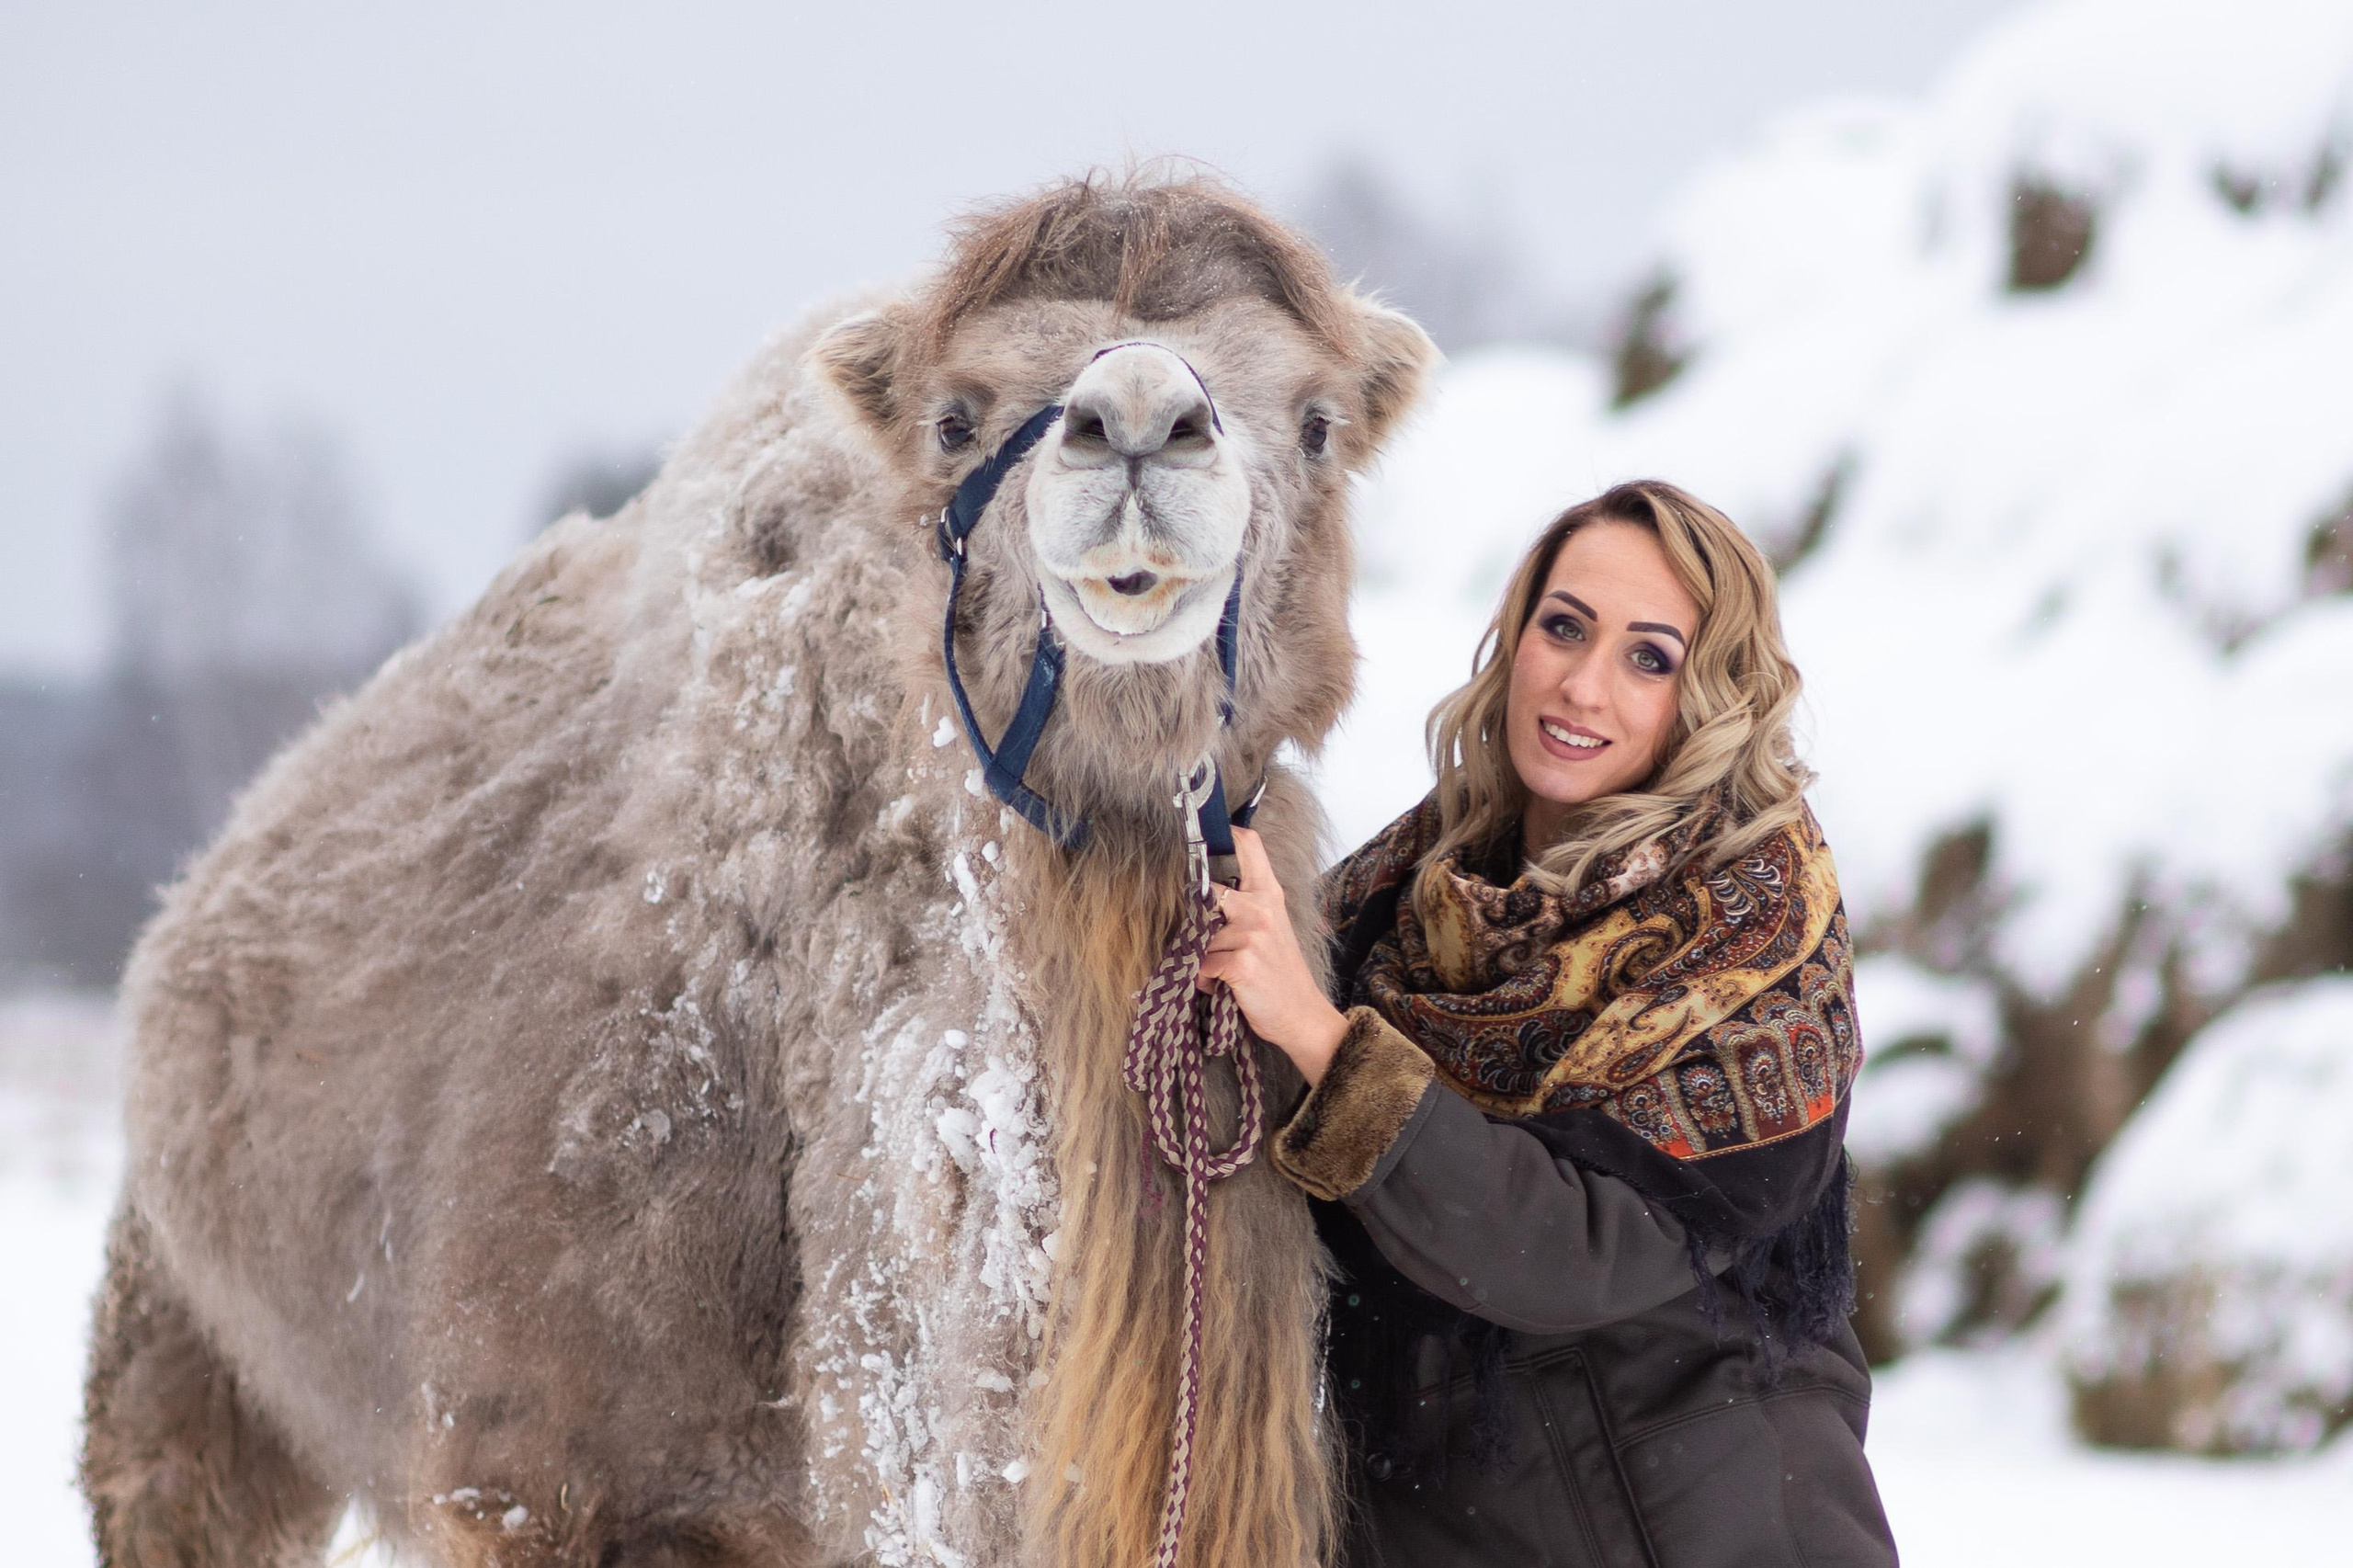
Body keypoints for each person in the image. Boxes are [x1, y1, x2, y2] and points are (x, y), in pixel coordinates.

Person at [1199, 480, 1898, 1566]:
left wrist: (1324, 1041)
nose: (1581, 684)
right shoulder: (1413, 887)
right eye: (1563, 626)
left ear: (1710, 695)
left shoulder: (1753, 942)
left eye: (1648, 656)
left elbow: (1563, 1253)